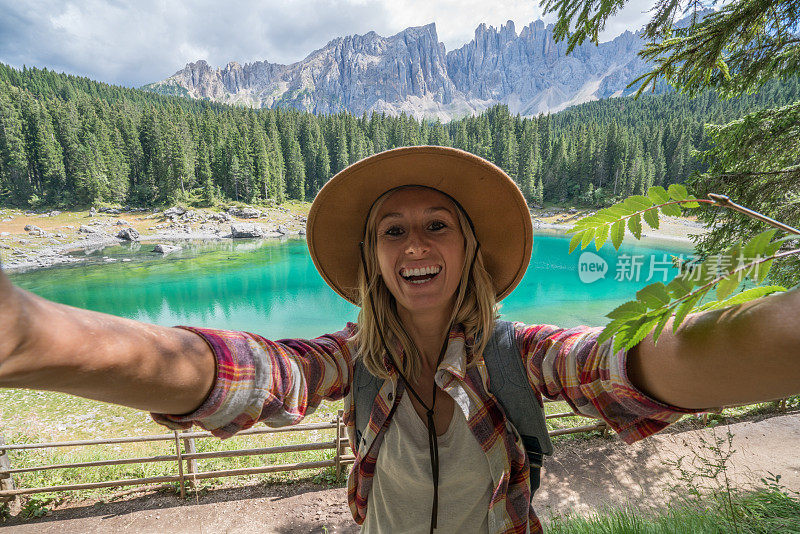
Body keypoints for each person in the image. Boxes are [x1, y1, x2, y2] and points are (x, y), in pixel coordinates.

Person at [0, 146, 798, 534]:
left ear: (469, 249)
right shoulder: (351, 359)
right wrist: (33, 338)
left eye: (437, 226)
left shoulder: (520, 353)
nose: (415, 246)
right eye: (393, 230)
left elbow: (618, 364)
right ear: (374, 258)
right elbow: (256, 371)